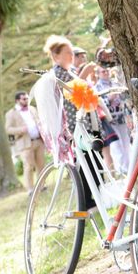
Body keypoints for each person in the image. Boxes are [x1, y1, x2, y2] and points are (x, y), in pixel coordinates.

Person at [43, 35, 112, 209]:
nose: (71, 56)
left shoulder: (68, 71)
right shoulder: (58, 74)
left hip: (86, 121)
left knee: (93, 160)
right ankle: (88, 200)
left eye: (71, 52)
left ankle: (96, 196)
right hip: (76, 124)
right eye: (67, 53)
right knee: (87, 162)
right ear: (56, 56)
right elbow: (74, 88)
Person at [5, 91, 45, 193]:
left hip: (38, 140)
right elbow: (8, 129)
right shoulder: (11, 113)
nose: (26, 100)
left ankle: (41, 186)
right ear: (17, 100)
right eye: (24, 99)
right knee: (28, 166)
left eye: (27, 98)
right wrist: (20, 129)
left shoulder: (32, 109)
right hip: (25, 143)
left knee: (41, 165)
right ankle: (30, 189)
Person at [95, 66, 131, 174]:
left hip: (121, 118)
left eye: (107, 70)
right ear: (98, 74)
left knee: (126, 144)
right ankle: (123, 170)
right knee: (117, 146)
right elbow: (98, 104)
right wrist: (109, 98)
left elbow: (124, 98)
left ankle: (128, 169)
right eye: (103, 71)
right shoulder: (97, 87)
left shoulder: (115, 83)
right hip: (109, 120)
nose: (106, 72)